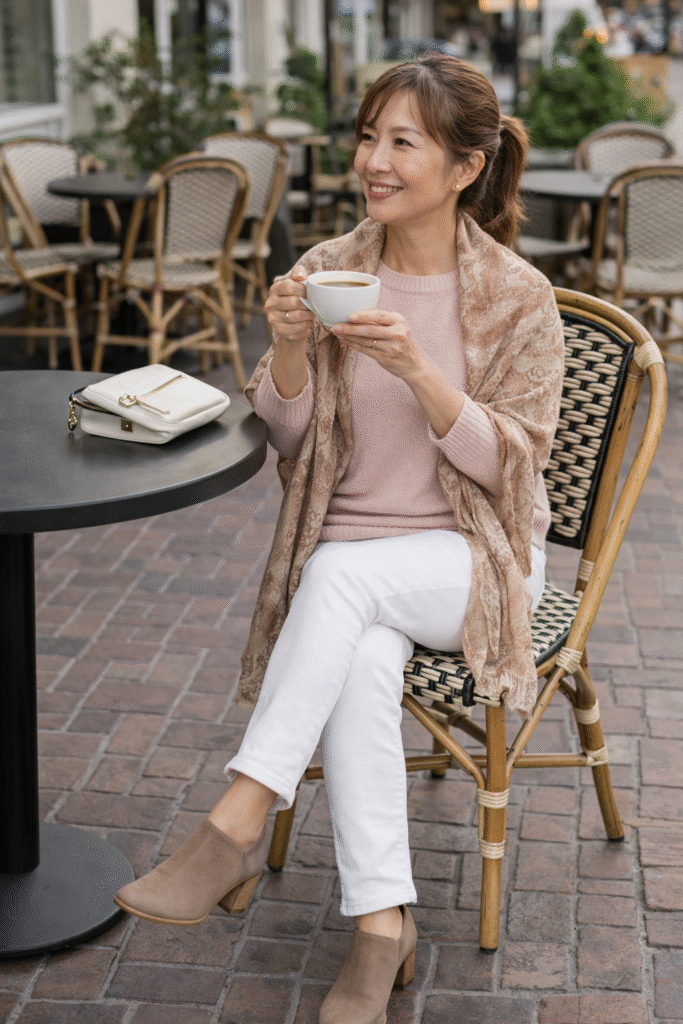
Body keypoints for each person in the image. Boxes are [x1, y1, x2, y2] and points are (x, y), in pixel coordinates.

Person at [114, 53, 564, 1024]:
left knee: (339, 579)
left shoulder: (517, 297)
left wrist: (421, 375)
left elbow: (516, 467)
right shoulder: (327, 272)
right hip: (351, 567)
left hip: (475, 558)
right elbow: (285, 440)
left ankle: (237, 818)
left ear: (463, 167)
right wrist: (283, 347)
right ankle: (378, 927)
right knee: (355, 643)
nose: (373, 158)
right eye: (368, 135)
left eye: (402, 140)